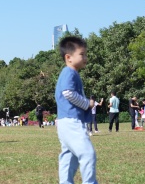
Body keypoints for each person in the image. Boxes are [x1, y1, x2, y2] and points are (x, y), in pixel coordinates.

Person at [55, 36, 98, 184]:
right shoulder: (69, 72)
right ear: (69, 57)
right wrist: (87, 104)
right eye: (82, 54)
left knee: (69, 157)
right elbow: (68, 93)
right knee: (87, 154)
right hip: (71, 121)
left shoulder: (70, 72)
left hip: (65, 122)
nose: (85, 57)